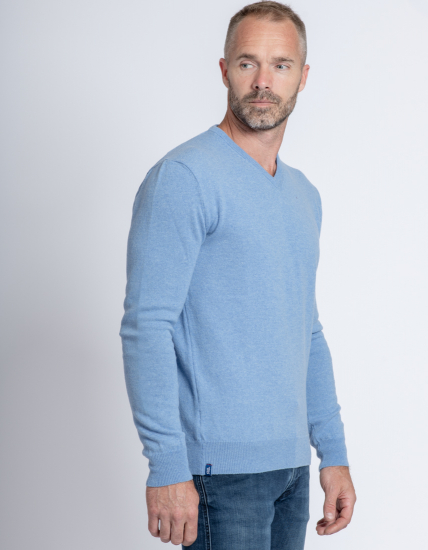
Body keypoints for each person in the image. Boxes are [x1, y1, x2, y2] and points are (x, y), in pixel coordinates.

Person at [119, 1, 357, 547]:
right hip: (216, 475)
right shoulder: (184, 177)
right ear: (225, 70)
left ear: (303, 76)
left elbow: (307, 331)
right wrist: (167, 465)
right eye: (248, 63)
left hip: (291, 470)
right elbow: (146, 327)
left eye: (281, 65)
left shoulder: (304, 195)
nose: (263, 82)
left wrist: (333, 452)